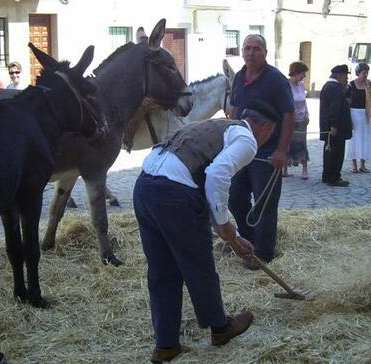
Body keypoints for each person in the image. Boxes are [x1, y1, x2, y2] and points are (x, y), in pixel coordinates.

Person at [133, 101, 279, 363]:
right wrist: (224, 224)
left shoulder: (214, 126)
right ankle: (220, 328)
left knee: (162, 271)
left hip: (144, 187)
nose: (269, 138)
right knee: (199, 265)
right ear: (265, 127)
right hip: (174, 195)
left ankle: (165, 345)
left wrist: (231, 236)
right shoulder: (247, 139)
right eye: (272, 133)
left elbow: (201, 178)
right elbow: (216, 175)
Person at [228, 34, 295, 267]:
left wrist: (282, 150)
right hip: (240, 150)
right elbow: (234, 109)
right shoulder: (238, 78)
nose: (250, 52)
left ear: (265, 52)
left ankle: (264, 253)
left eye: (256, 48)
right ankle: (248, 240)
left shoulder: (276, 80)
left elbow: (289, 115)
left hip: (266, 152)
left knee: (265, 202)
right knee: (235, 198)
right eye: (247, 48)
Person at [319, 64, 353, 186]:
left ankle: (327, 175)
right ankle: (333, 177)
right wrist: (333, 124)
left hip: (330, 127)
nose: (347, 79)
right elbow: (334, 108)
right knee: (336, 153)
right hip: (336, 128)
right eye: (345, 76)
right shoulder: (335, 88)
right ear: (340, 75)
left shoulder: (329, 86)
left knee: (329, 151)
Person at [346, 62, 371, 173]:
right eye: (364, 73)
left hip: (367, 113)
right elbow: (348, 103)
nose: (366, 75)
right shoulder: (351, 85)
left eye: (367, 73)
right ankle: (354, 164)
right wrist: (349, 119)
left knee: (366, 138)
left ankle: (363, 164)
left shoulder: (369, 84)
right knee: (355, 138)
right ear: (358, 73)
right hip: (355, 113)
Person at [283, 61, 310, 180]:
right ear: (296, 72)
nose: (304, 76)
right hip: (290, 119)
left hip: (301, 119)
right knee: (287, 142)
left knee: (302, 143)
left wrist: (307, 113)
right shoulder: (286, 85)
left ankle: (304, 169)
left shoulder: (301, 85)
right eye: (303, 73)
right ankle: (285, 169)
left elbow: (304, 101)